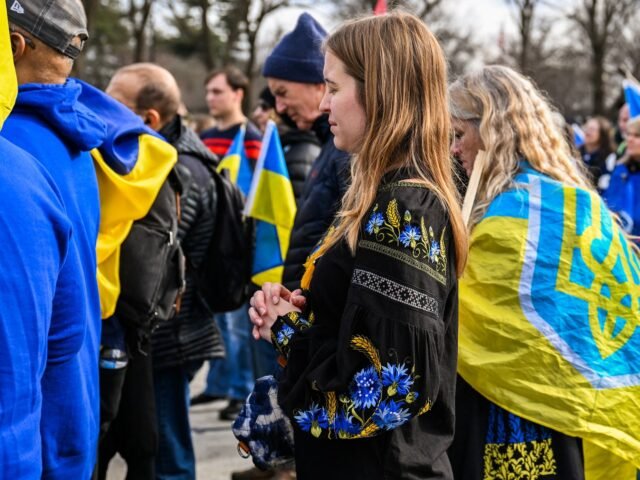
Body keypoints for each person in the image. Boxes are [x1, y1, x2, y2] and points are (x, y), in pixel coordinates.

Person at [249, 12, 468, 480]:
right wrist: (302, 314)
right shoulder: (383, 194)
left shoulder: (404, 208)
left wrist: (285, 331)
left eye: (333, 87)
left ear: (380, 91)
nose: (324, 103)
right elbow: (364, 334)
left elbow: (389, 388)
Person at [448, 65, 640, 478]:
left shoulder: (503, 220)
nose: (454, 148)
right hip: (572, 415)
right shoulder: (581, 204)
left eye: (459, 134)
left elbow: (463, 318)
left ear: (491, 129)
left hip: (508, 412)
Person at [105, 62, 224, 480]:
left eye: (115, 102)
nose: (103, 108)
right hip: (165, 330)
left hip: (171, 335)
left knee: (166, 455)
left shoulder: (176, 169)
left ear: (149, 119)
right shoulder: (172, 157)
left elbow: (153, 257)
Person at [3, 1, 108, 477]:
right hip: (73, 401)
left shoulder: (13, 141)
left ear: (14, 45)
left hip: (31, 421)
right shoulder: (74, 137)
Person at [0, 3, 78, 476]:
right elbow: (66, 335)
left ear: (16, 46)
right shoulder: (82, 143)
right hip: (31, 445)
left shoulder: (19, 145)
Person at [192, 66, 262, 420]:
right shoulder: (205, 138)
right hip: (210, 241)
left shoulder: (251, 137)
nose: (210, 98)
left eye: (217, 91)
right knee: (217, 320)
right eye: (208, 92)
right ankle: (218, 384)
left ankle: (240, 390)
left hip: (236, 242)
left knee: (237, 324)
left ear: (238, 94)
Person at [604, 116, 640, 238]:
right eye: (628, 135)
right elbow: (609, 205)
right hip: (619, 240)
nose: (630, 139)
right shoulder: (620, 170)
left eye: (637, 136)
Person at [579, 116, 615, 191]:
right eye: (586, 128)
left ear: (602, 134)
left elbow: (605, 184)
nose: (587, 132)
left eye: (592, 129)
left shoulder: (609, 156)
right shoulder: (576, 151)